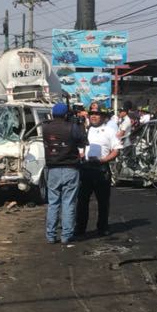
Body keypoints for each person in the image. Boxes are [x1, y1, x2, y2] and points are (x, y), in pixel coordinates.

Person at [41, 102, 86, 244]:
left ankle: (51, 235)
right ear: (67, 114)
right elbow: (84, 141)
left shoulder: (45, 127)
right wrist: (80, 124)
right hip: (70, 169)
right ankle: (66, 235)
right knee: (68, 203)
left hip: (52, 169)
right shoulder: (72, 127)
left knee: (53, 203)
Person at [77, 107, 120, 237]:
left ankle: (102, 227)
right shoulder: (84, 130)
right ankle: (80, 228)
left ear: (103, 116)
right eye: (92, 114)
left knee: (103, 201)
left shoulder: (110, 131)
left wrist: (103, 160)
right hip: (86, 168)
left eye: (97, 114)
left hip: (101, 169)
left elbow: (116, 150)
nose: (94, 116)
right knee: (82, 201)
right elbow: (80, 148)